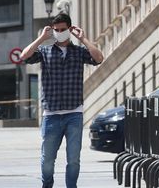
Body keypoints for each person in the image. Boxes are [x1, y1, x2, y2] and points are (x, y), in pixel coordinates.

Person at [20, 12, 104, 188]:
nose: (59, 32)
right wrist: (42, 38)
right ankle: (47, 184)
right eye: (56, 30)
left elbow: (99, 58)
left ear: (70, 29)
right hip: (51, 115)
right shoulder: (44, 51)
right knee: (47, 161)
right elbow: (24, 56)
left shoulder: (79, 52)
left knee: (73, 159)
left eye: (63, 29)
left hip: (74, 114)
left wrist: (84, 39)